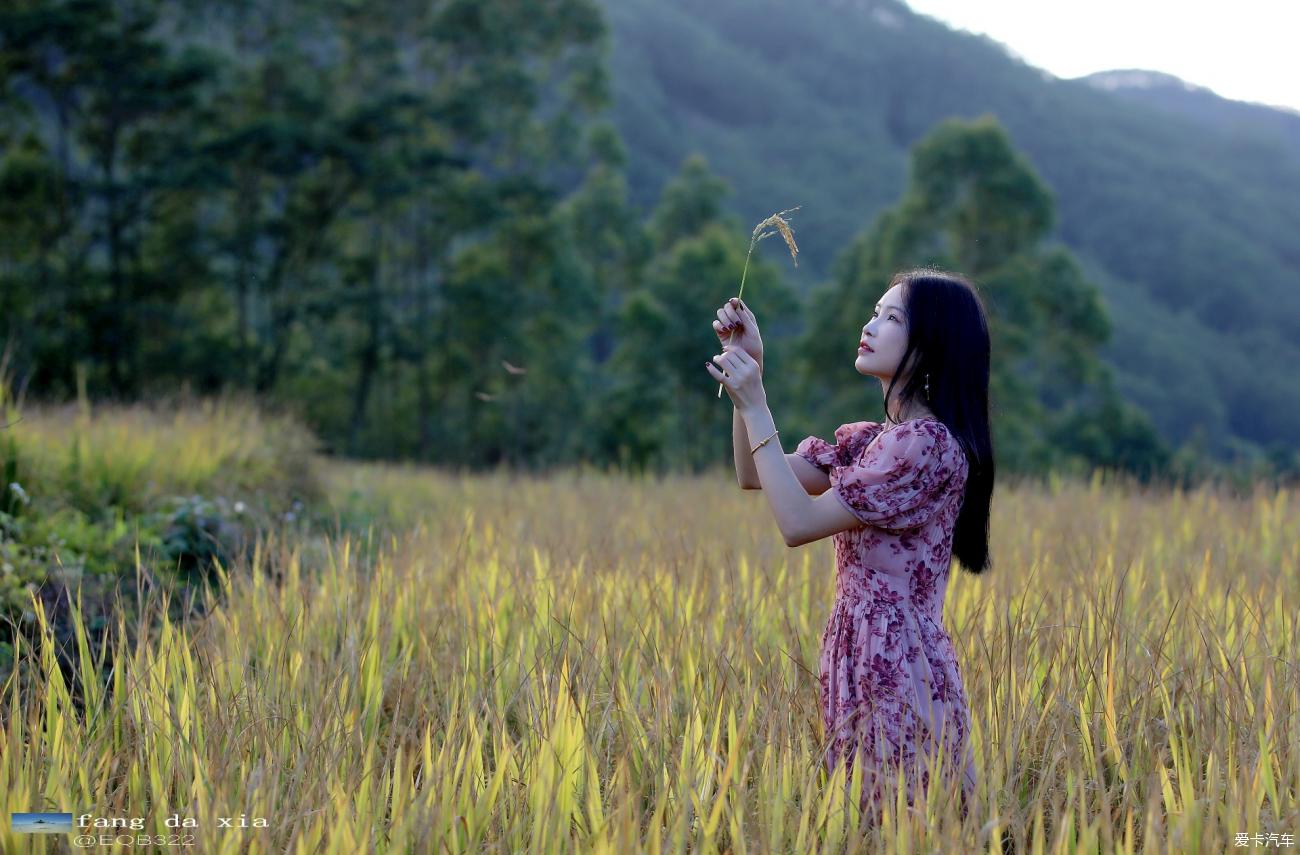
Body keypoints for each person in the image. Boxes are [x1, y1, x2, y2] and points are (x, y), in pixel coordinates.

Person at [706, 267, 994, 826]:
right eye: (875, 311)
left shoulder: (925, 447)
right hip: (857, 654)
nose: (871, 325)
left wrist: (759, 404)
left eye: (892, 318)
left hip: (898, 667)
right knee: (864, 822)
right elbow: (754, 475)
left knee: (901, 824)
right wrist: (751, 384)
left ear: (931, 342)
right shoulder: (874, 441)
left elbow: (796, 522)